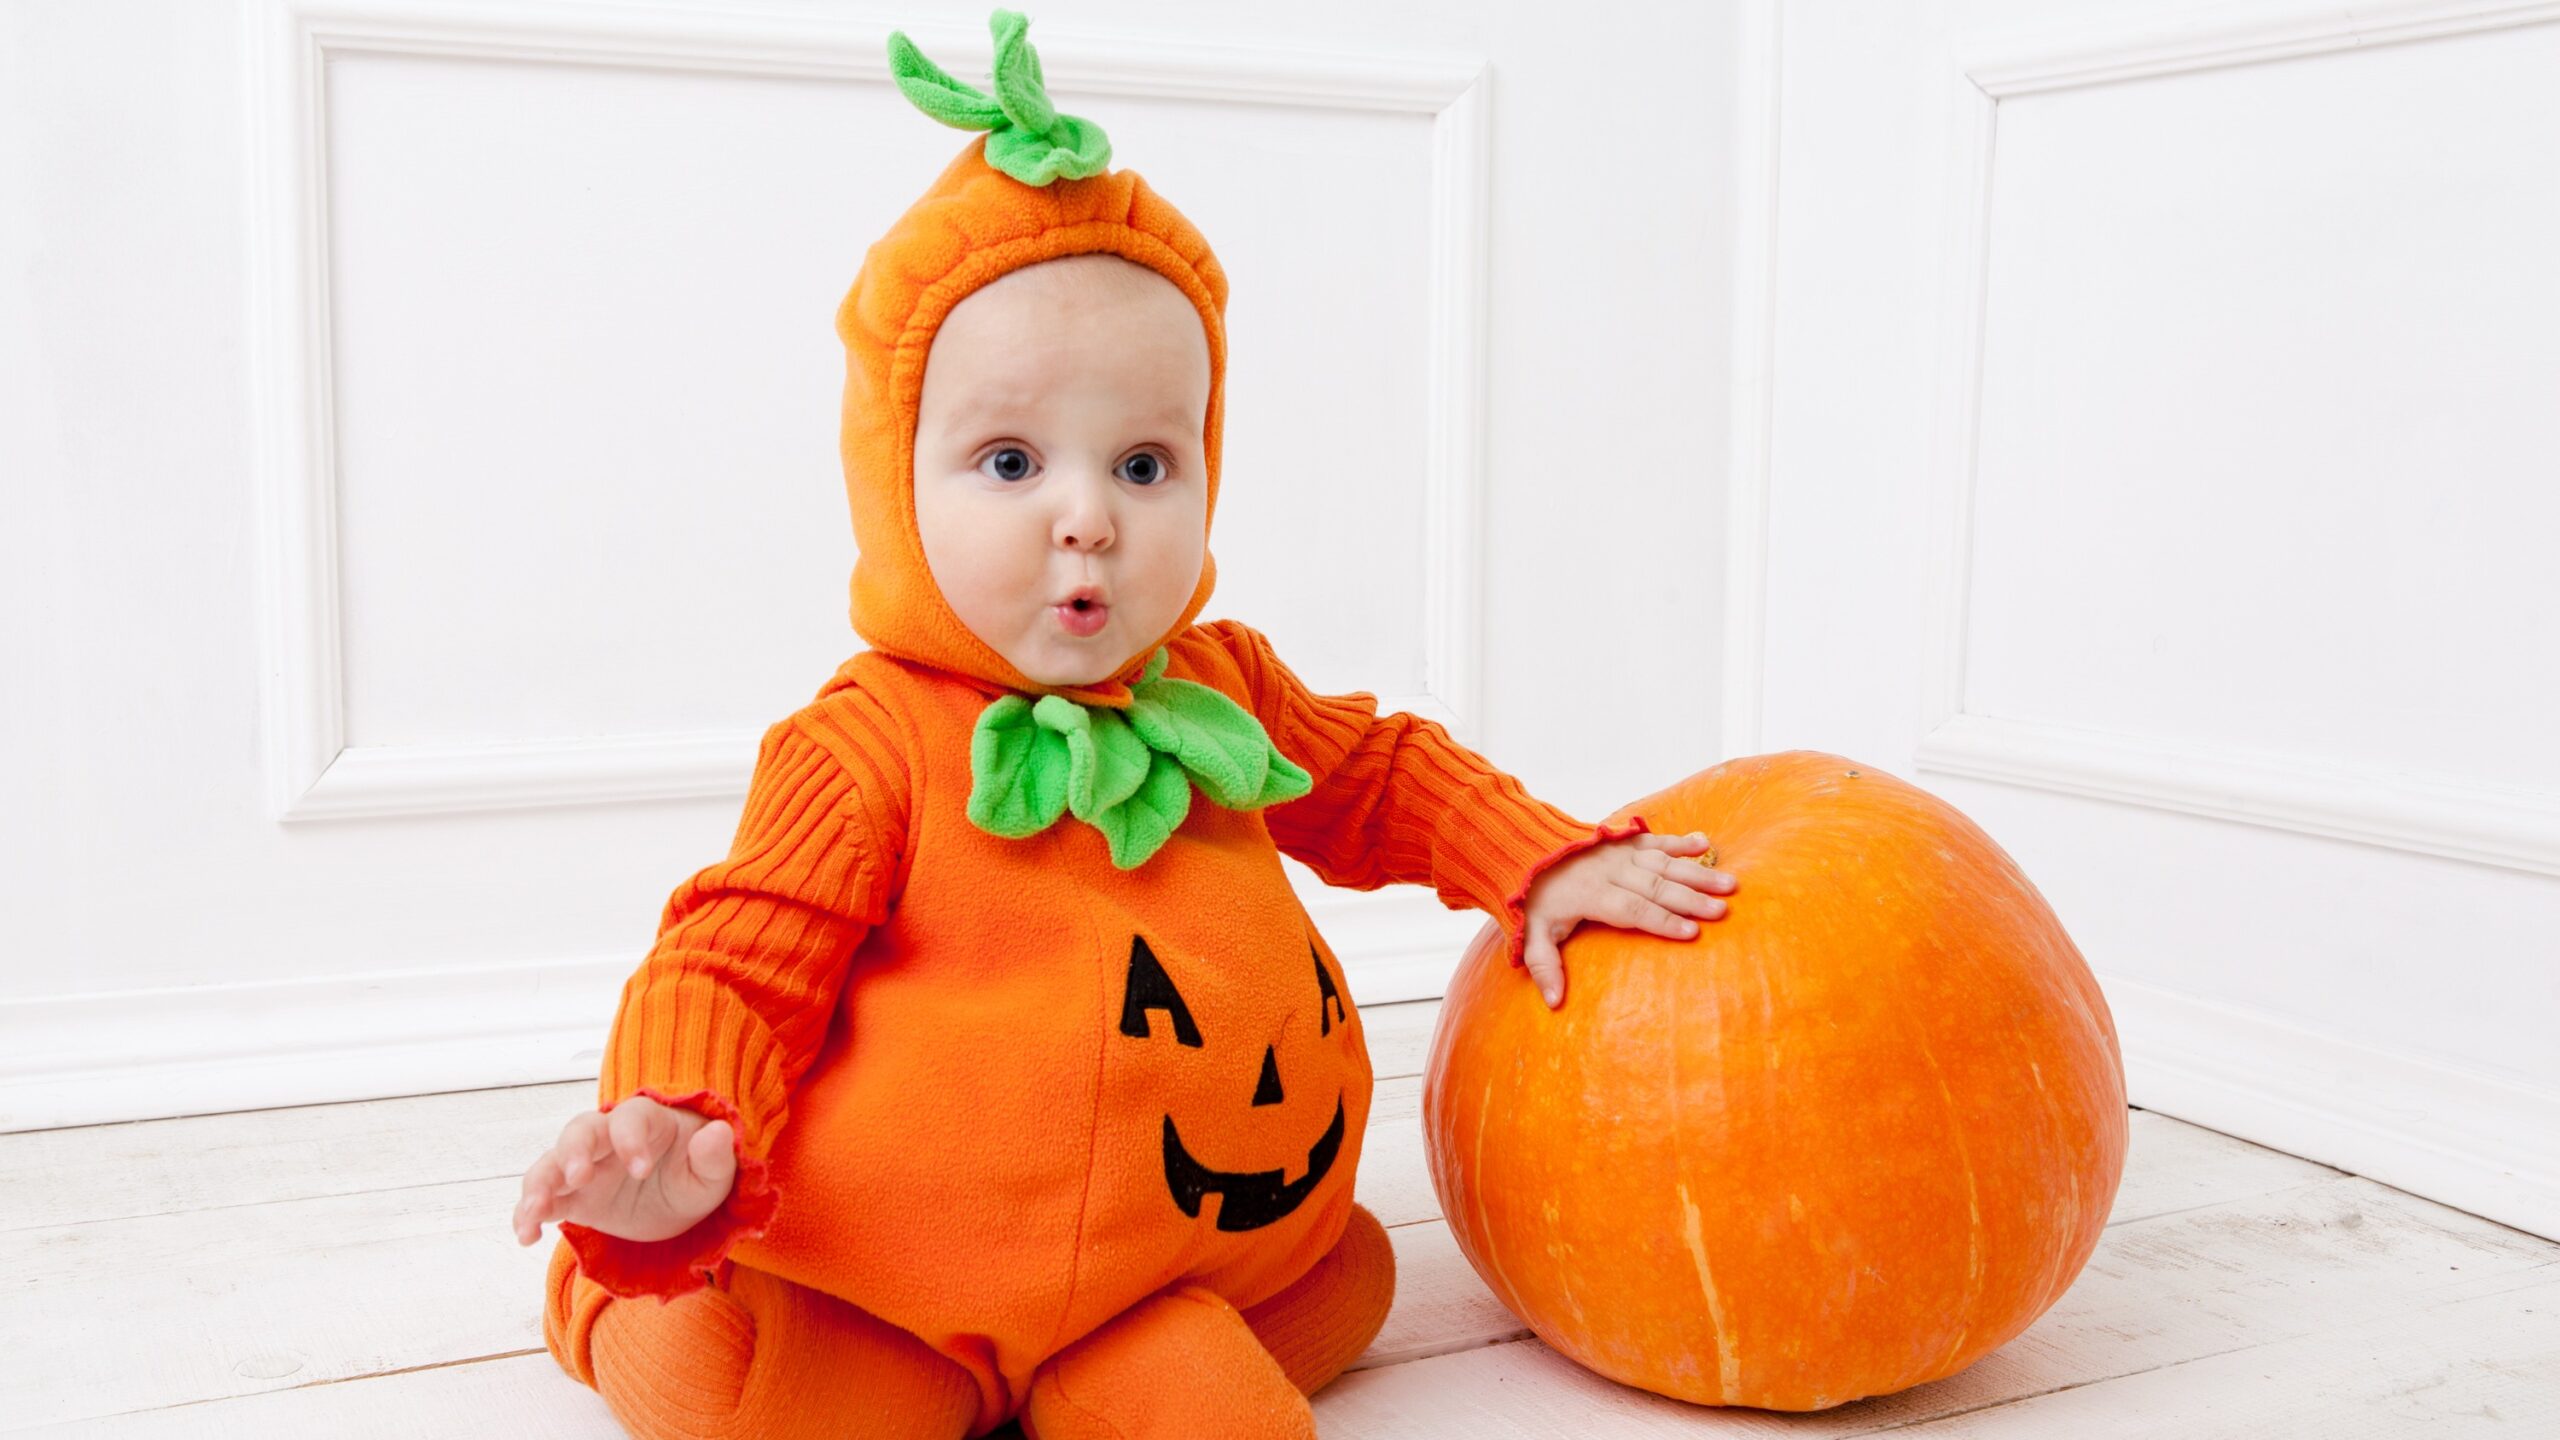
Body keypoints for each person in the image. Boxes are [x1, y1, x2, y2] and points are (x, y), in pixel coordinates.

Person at [511, 12, 1737, 1437]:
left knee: (1328, 1304)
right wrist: (678, 1115)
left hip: (1173, 1252)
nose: (1088, 516)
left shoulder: (1221, 685)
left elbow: (1384, 775)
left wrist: (1542, 858)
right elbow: (735, 955)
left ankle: (1108, 1352)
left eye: (1146, 462)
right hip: (893, 1272)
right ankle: (626, 1296)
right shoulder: (865, 744)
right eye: (1012, 460)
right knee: (750, 1403)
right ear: (894, 480)